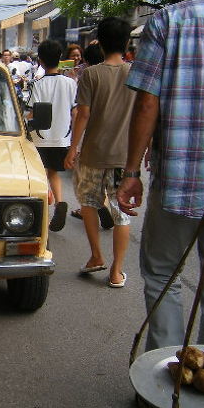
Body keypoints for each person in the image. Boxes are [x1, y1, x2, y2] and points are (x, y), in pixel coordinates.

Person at [117, 0, 204, 350]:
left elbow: (148, 101)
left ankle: (165, 380)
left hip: (181, 182)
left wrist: (131, 173)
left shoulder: (170, 21)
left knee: (164, 277)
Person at [64, 17, 137, 288]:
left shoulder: (91, 74)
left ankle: (96, 255)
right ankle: (116, 272)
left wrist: (73, 148)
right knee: (121, 214)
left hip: (93, 155)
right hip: (124, 157)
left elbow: (83, 114)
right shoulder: (136, 73)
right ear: (127, 43)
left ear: (100, 43)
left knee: (88, 205)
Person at [27, 40, 78, 232]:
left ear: (40, 60)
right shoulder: (70, 83)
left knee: (40, 175)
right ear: (60, 58)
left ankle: (45, 215)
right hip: (62, 137)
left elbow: (32, 113)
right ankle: (60, 202)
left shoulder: (37, 85)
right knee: (53, 172)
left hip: (40, 137)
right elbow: (75, 112)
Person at [69, 42, 113, 228]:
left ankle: (90, 206)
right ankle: (103, 204)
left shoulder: (85, 75)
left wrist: (73, 144)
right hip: (113, 135)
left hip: (89, 132)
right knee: (107, 176)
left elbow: (81, 112)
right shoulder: (121, 73)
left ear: (86, 59)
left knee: (84, 178)